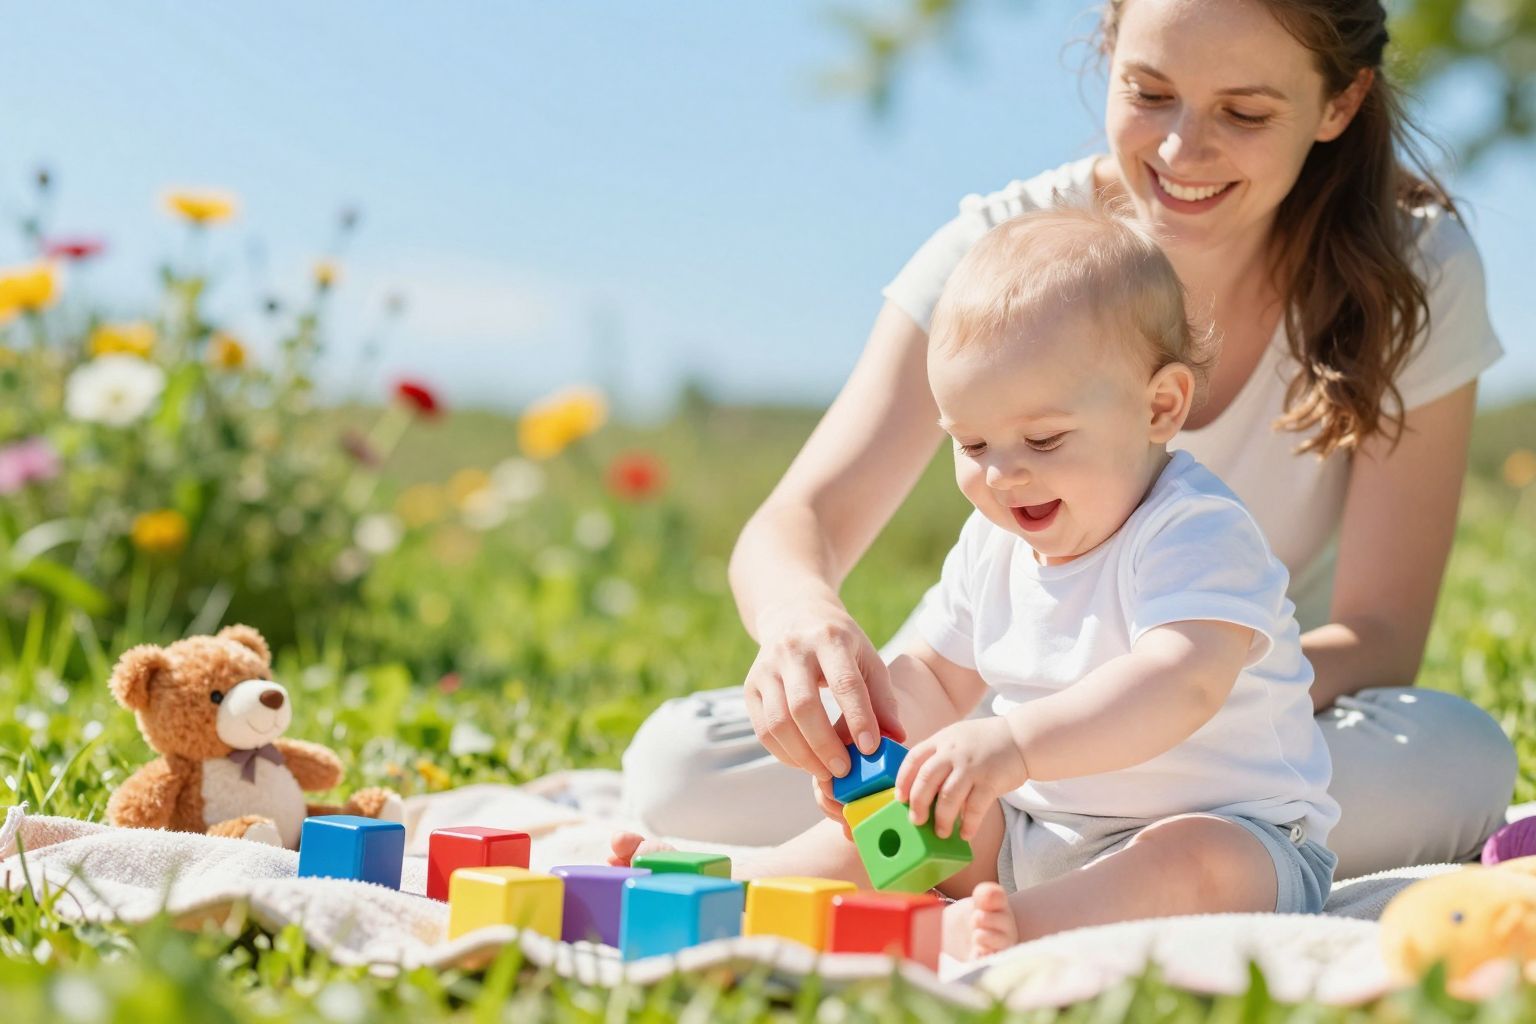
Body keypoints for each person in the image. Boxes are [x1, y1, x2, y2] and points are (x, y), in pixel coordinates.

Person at [621, 0, 1515, 881]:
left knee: (1459, 756)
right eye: (1149, 91)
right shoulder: (1003, 264)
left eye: (1243, 112)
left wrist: (1125, 715)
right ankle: (1057, 846)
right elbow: (800, 519)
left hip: (1242, 733)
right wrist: (807, 633)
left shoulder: (1415, 266)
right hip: (996, 726)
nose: (1179, 149)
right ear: (1108, 48)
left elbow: (1381, 631)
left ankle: (1062, 844)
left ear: (1340, 103)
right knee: (682, 764)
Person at [614, 207, 1341, 960]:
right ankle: (755, 885)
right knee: (914, 806)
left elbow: (1180, 681)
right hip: (1031, 835)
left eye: (1044, 438)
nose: (1003, 473)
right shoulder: (993, 543)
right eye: (971, 443)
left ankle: (1020, 933)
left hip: (1245, 841)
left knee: (1188, 862)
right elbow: (933, 672)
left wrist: (1014, 745)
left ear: (1160, 406)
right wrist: (875, 745)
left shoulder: (1194, 530)